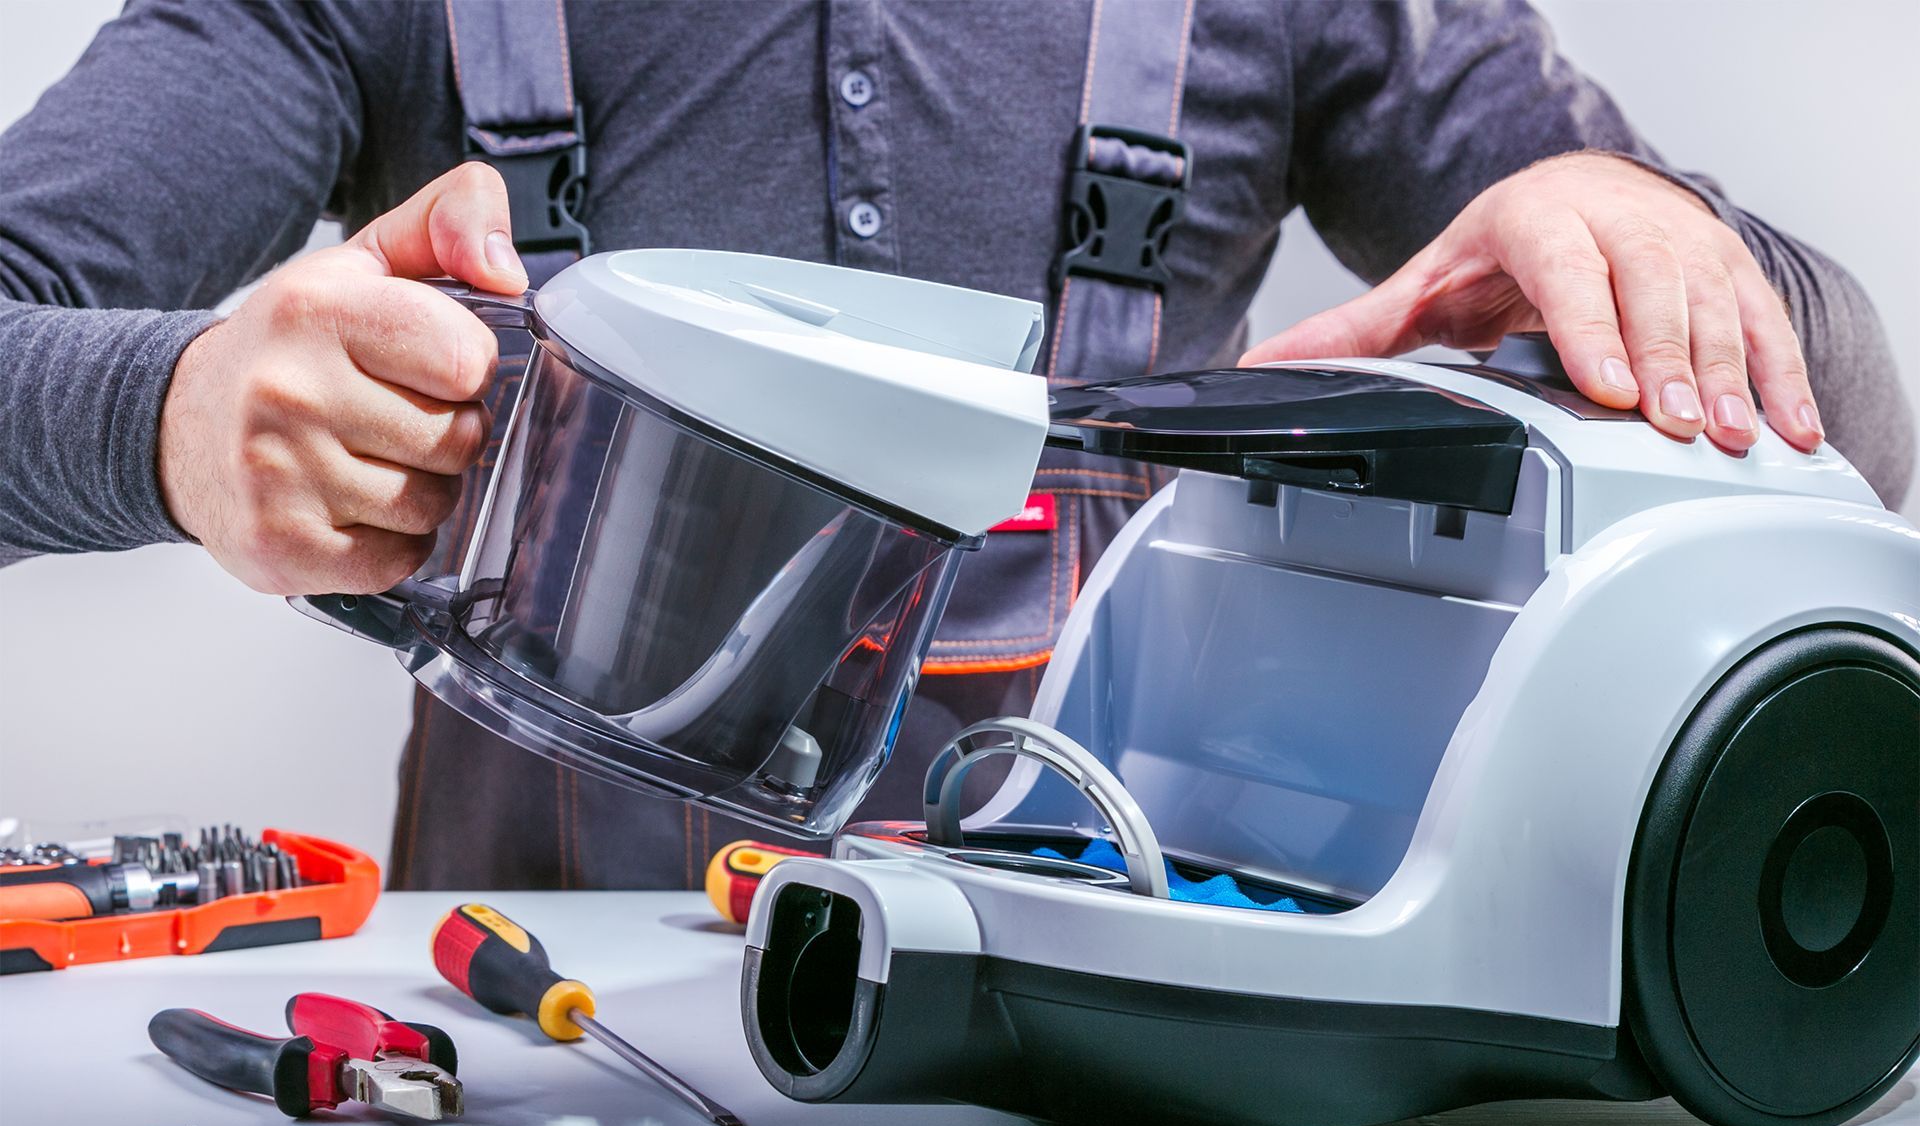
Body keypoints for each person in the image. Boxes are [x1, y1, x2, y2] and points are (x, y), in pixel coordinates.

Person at [1, 1, 1910, 890]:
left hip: (1126, 1111)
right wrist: (164, 417)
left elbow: (1861, 445)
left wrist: (1687, 261)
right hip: (528, 1079)